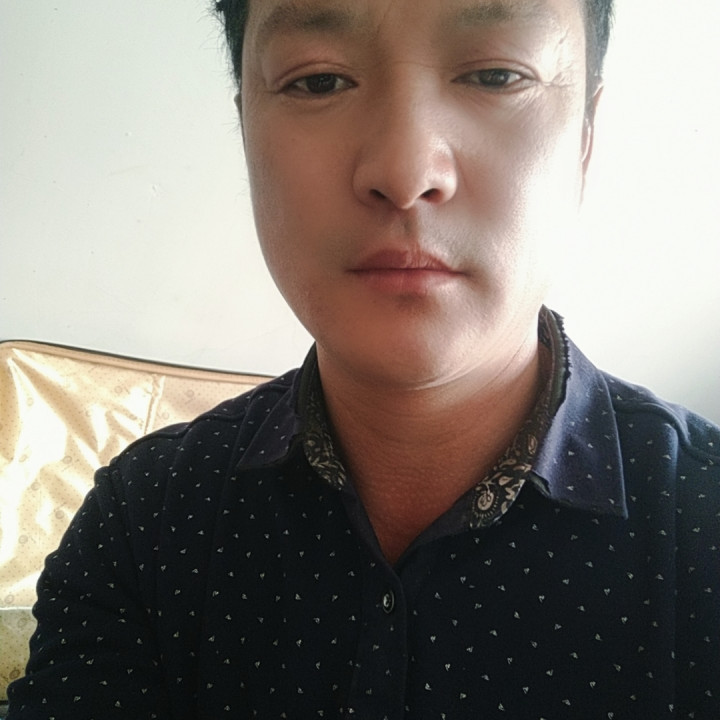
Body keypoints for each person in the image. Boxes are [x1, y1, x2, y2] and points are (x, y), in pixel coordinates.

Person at [7, 0, 719, 717]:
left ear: (585, 136)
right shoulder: (146, 522)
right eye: (318, 81)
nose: (405, 172)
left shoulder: (702, 522)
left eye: (496, 75)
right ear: (247, 129)